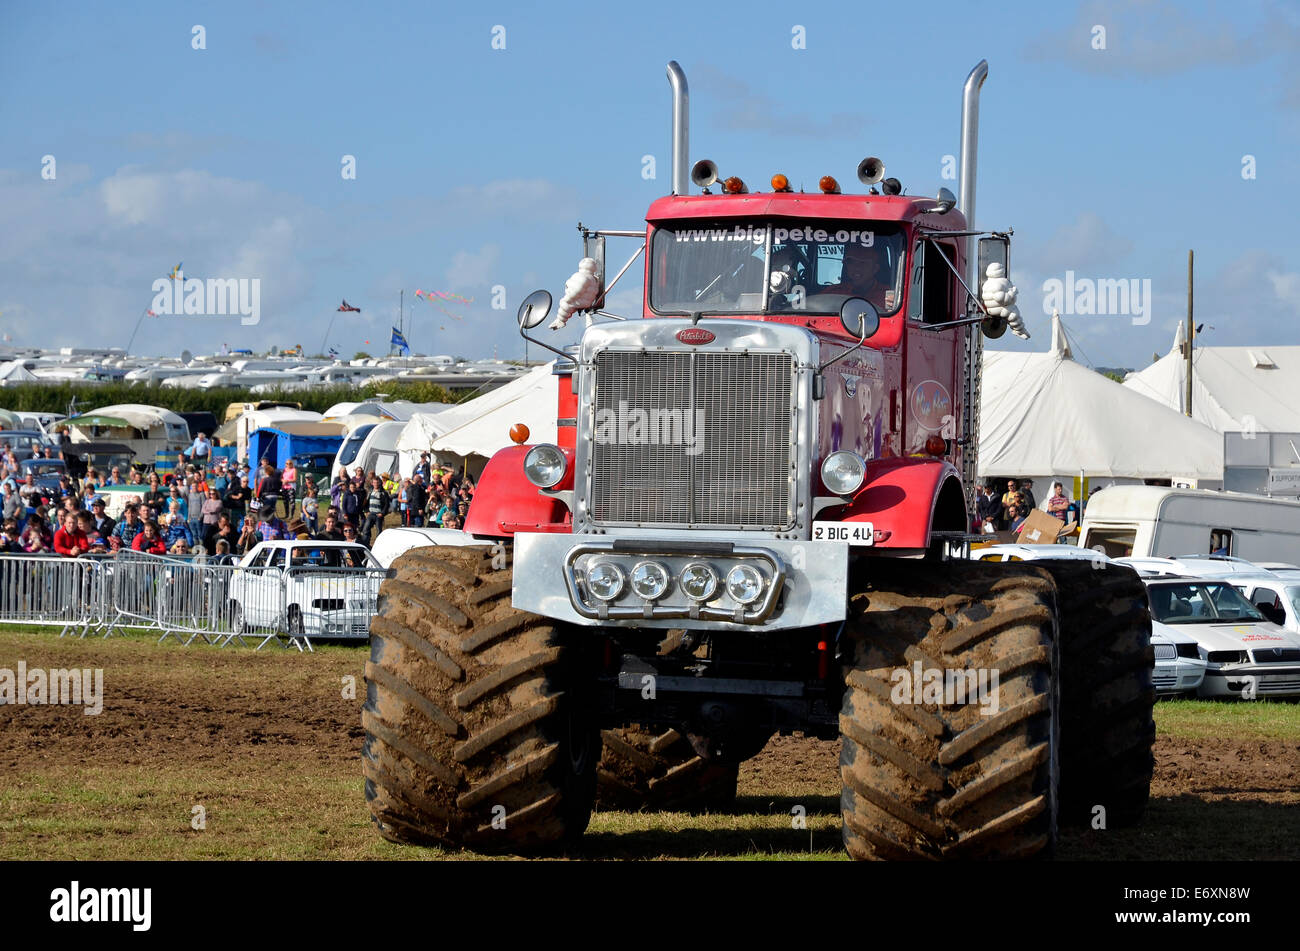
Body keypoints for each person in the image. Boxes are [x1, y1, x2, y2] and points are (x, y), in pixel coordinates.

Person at [822, 241, 898, 312]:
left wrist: (894, 309)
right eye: (851, 262)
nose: (856, 268)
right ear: (846, 266)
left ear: (875, 269)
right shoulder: (833, 292)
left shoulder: (890, 297)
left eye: (863, 263)